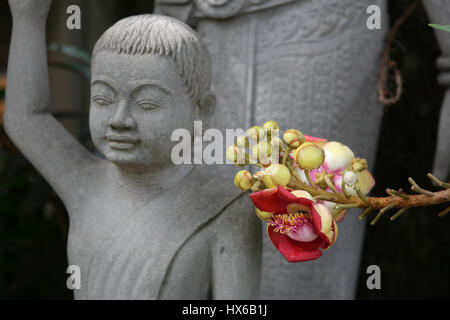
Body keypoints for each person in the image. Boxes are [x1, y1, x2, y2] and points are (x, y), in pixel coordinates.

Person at [5, 0, 261, 299]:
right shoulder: (83, 183)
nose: (119, 120)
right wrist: (27, 16)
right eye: (103, 99)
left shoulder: (228, 209)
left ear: (201, 111)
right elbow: (26, 117)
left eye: (146, 104)